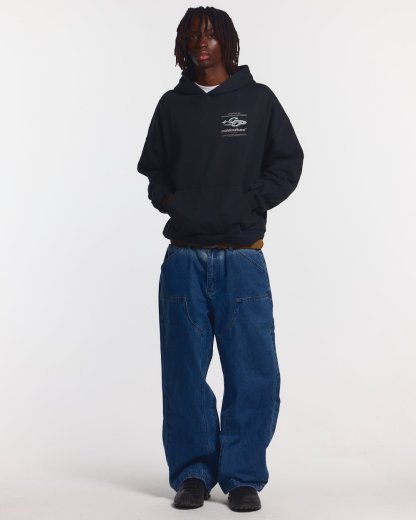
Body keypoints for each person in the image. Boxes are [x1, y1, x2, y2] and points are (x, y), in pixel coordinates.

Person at [137, 6, 304, 512]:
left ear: (227, 41)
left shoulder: (257, 100)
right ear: (183, 44)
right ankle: (192, 474)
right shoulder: (172, 105)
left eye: (210, 35)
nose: (201, 43)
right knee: (183, 376)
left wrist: (252, 203)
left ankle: (242, 477)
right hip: (184, 260)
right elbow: (154, 172)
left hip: (242, 260)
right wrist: (175, 202)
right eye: (193, 35)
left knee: (254, 375)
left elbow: (288, 161)